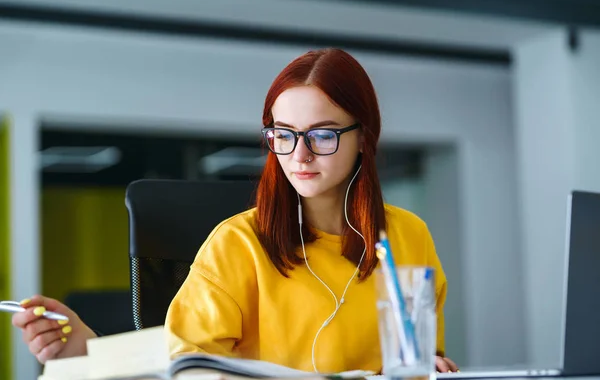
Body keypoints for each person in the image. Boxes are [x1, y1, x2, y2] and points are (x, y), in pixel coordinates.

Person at [12, 48, 458, 373]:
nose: (299, 156)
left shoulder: (406, 236)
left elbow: (420, 358)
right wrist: (87, 353)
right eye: (284, 134)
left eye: (322, 135)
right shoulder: (237, 245)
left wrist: (432, 367)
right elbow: (183, 367)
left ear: (365, 135)